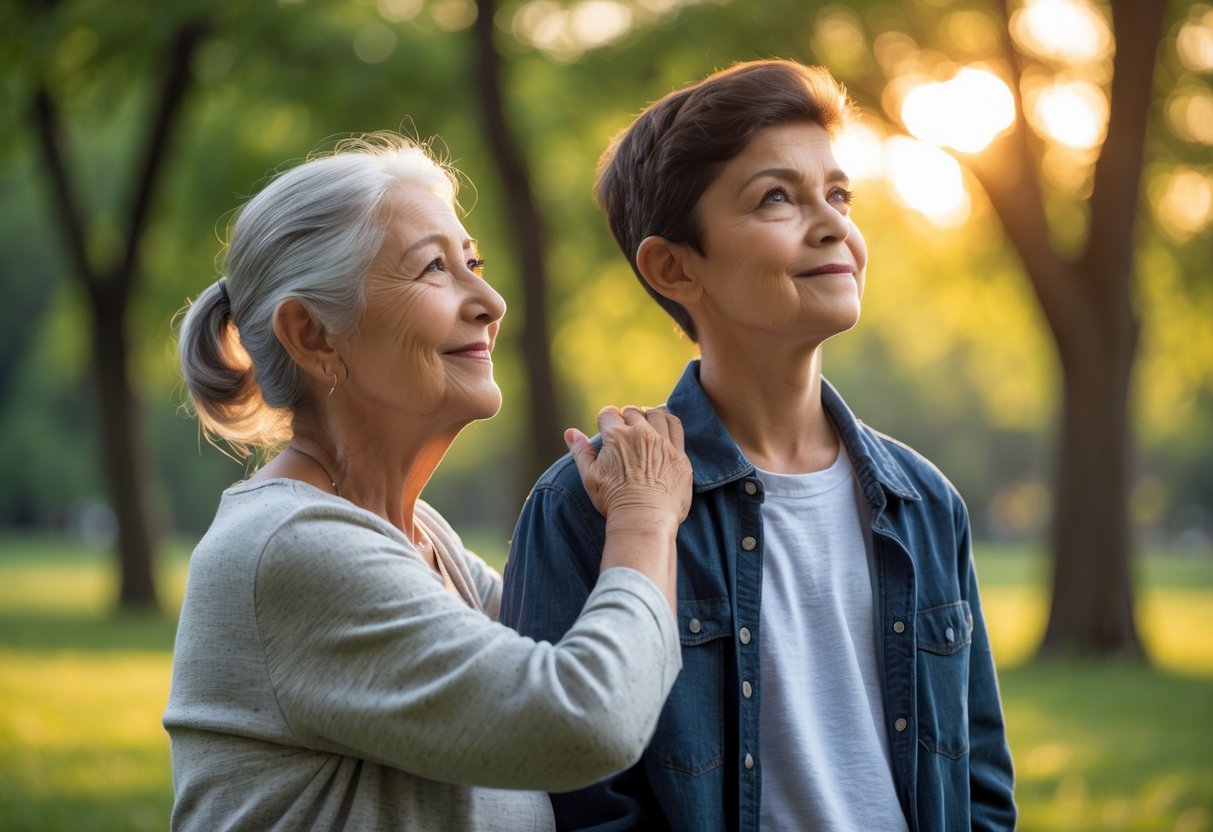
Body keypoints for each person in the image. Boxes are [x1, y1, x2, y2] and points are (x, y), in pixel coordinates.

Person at [500, 60, 1016, 831]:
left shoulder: (923, 501)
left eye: (838, 194)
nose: (832, 223)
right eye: (776, 196)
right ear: (673, 267)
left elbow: (978, 785)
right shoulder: (587, 503)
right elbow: (578, 799)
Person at [163, 131, 693, 831]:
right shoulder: (291, 547)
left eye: (473, 260)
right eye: (434, 270)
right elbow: (586, 719)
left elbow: (617, 651)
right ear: (313, 335)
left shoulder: (423, 538)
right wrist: (643, 519)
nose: (490, 300)